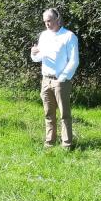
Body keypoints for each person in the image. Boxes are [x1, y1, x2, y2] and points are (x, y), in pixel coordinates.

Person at [30, 8, 79, 149]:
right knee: (48, 113)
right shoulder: (44, 36)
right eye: (45, 21)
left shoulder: (69, 36)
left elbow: (74, 61)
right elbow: (38, 57)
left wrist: (62, 78)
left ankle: (67, 144)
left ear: (57, 19)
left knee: (64, 114)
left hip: (60, 81)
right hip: (45, 79)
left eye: (49, 21)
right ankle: (49, 142)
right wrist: (34, 53)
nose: (47, 24)